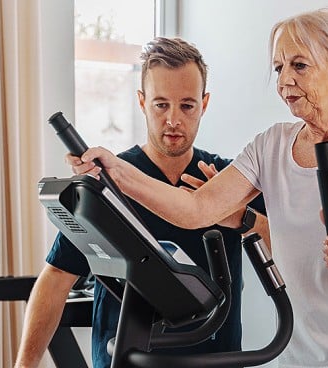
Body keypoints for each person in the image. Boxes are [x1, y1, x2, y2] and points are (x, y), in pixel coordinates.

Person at [71, 8, 328, 368]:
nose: (284, 81)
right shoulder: (270, 146)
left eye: (299, 65)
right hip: (305, 344)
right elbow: (195, 210)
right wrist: (116, 171)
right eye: (279, 68)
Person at [14, 37, 268, 368]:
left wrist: (243, 217)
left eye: (187, 106)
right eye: (161, 105)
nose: (173, 120)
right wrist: (24, 365)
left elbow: (288, 245)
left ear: (204, 104)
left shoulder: (226, 180)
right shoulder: (112, 180)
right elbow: (57, 277)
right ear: (142, 101)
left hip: (213, 360)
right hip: (125, 359)